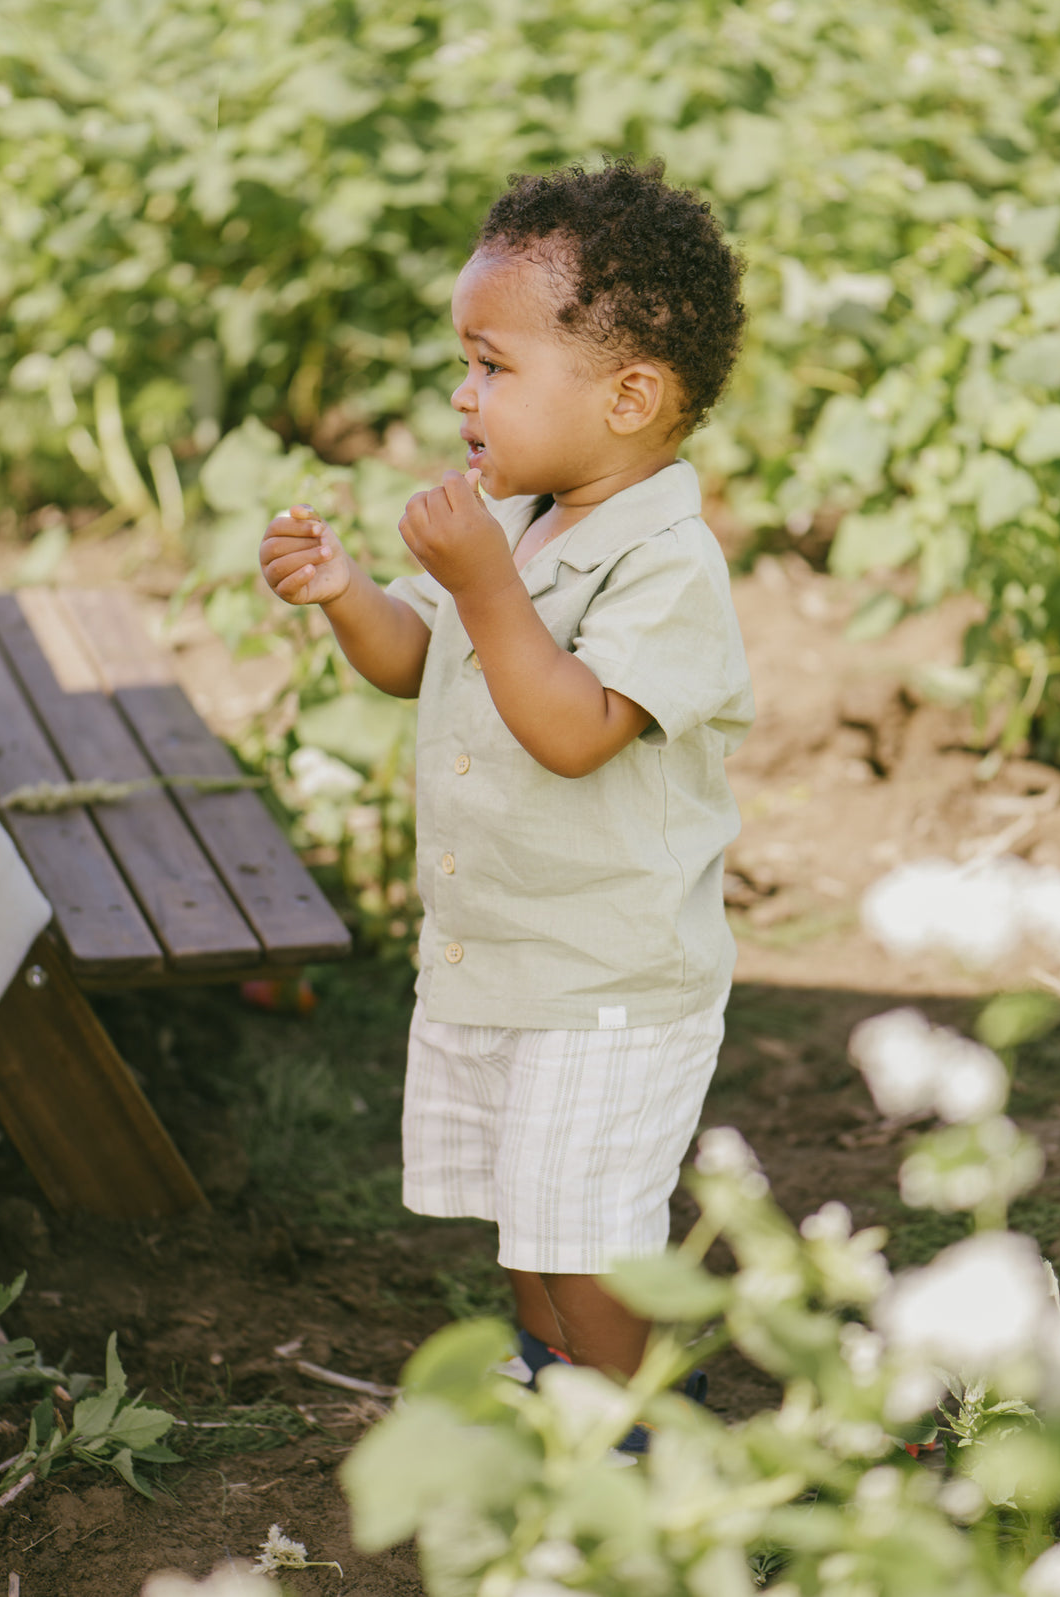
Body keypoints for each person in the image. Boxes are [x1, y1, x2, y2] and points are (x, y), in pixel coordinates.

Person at [259, 158, 753, 1444]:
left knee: (588, 1244)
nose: (463, 396)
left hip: (609, 987)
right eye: (463, 365)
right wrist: (347, 594)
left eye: (492, 365)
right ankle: (560, 1406)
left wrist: (484, 583)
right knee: (532, 1238)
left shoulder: (667, 563)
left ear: (631, 396)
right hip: (502, 962)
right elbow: (420, 658)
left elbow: (578, 730)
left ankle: (646, 1454)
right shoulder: (518, 515)